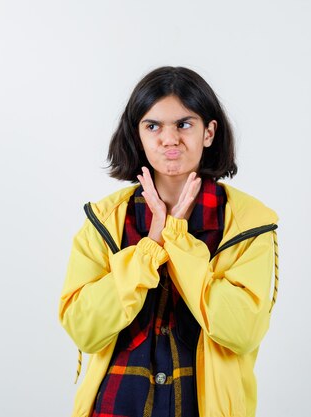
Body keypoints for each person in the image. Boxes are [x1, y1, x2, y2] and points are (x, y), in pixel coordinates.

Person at [58, 66, 279, 417]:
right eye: (153, 126)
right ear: (138, 135)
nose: (169, 138)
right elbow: (85, 330)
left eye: (184, 124)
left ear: (209, 132)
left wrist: (177, 239)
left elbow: (241, 330)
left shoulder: (248, 222)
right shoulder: (104, 220)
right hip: (115, 406)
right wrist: (149, 246)